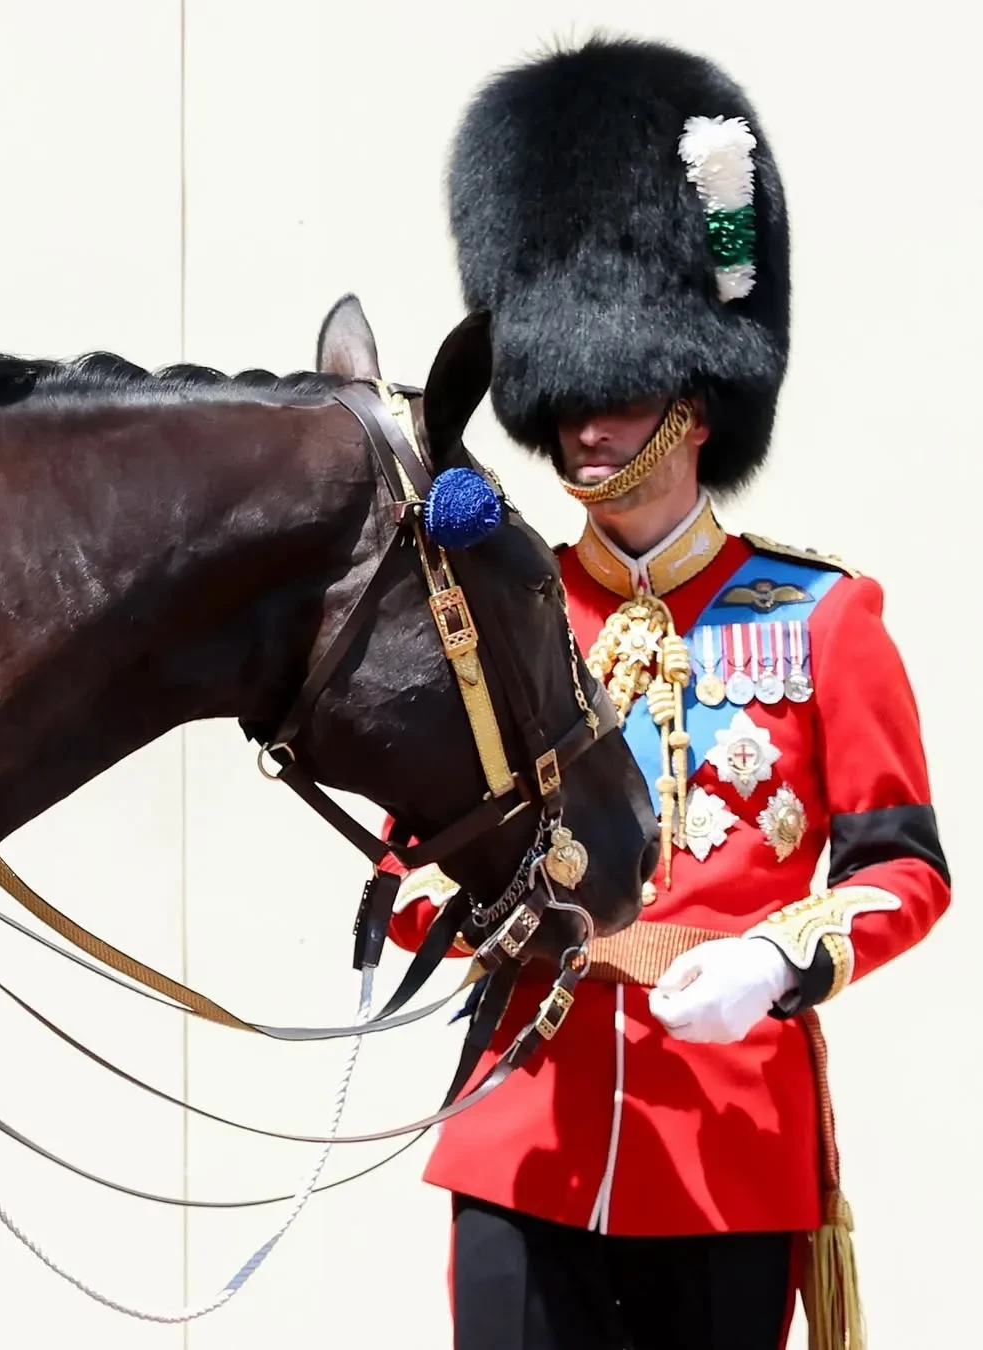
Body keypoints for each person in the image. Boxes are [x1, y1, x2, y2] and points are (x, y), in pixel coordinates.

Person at [383, 33, 952, 1350]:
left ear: (694, 402)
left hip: (727, 1147)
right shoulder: (503, 614)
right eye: (566, 397)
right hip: (525, 1135)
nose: (586, 426)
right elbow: (410, 861)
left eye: (620, 390)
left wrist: (779, 957)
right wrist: (497, 927)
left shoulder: (823, 617)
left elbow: (902, 869)